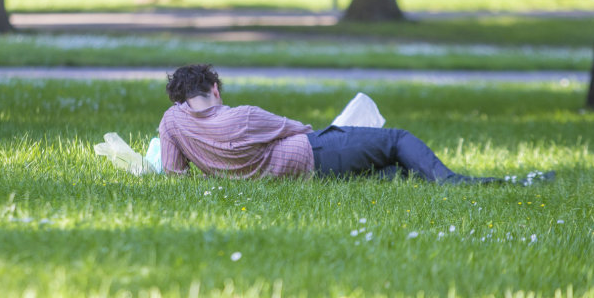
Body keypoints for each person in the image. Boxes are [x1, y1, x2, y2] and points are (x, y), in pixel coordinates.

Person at [158, 64, 541, 184]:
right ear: (215, 89)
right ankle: (453, 181)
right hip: (314, 154)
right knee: (395, 139)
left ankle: (411, 176)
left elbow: (174, 173)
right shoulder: (243, 117)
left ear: (180, 97)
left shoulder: (172, 123)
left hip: (300, 173)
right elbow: (301, 130)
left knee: (389, 169)